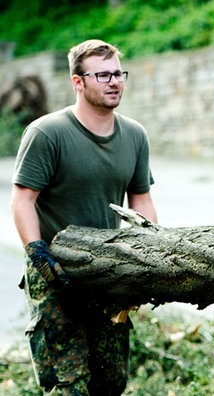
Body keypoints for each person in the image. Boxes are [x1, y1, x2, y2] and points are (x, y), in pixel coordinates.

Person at [11, 39, 157, 395]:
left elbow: (141, 200)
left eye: (118, 74)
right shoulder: (47, 133)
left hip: (108, 271)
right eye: (103, 75)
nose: (114, 82)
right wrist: (37, 253)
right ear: (78, 82)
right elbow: (22, 200)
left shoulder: (135, 135)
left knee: (110, 382)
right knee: (68, 385)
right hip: (56, 271)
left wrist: (153, 254)